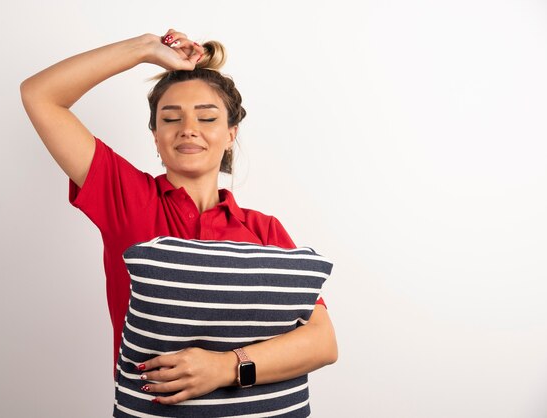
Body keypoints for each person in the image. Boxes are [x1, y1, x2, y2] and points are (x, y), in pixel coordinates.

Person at [20, 28, 337, 411]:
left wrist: (224, 368)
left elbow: (323, 342)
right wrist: (143, 49)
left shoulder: (264, 230)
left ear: (230, 134)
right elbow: (40, 95)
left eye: (206, 118)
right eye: (170, 118)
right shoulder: (125, 197)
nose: (188, 129)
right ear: (155, 135)